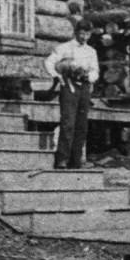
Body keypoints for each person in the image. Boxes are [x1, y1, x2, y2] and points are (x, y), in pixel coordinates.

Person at [45, 18, 99, 170]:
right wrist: (57, 76)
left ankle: (76, 161)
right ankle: (62, 159)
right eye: (81, 34)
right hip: (69, 87)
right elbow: (49, 62)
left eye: (87, 34)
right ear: (76, 33)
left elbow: (95, 70)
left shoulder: (91, 51)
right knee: (68, 123)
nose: (84, 37)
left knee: (81, 125)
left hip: (84, 88)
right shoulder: (65, 48)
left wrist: (89, 77)